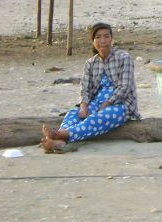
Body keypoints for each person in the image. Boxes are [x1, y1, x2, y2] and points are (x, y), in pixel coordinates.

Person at [41, 22, 141, 152]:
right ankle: (58, 142)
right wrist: (83, 105)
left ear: (111, 39)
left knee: (96, 118)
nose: (102, 41)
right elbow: (85, 88)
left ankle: (59, 136)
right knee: (73, 114)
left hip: (120, 104)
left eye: (106, 36)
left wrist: (108, 102)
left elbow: (125, 87)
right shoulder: (91, 63)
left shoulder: (124, 58)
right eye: (98, 37)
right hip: (96, 103)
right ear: (93, 41)